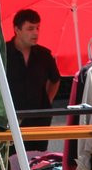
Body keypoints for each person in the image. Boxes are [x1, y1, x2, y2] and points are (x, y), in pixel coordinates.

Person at [6, 8, 60, 151]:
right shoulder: (3, 53)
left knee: (39, 165)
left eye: (37, 28)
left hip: (39, 120)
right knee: (11, 164)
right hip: (10, 119)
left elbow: (55, 79)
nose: (35, 32)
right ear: (17, 30)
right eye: (30, 28)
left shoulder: (44, 55)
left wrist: (46, 102)